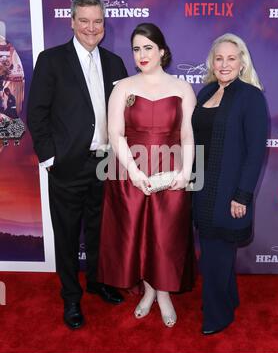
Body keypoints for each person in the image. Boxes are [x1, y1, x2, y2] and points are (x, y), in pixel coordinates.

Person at [27, 0, 128, 330]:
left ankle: (98, 282)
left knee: (102, 231)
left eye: (97, 21)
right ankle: (71, 297)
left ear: (104, 24)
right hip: (67, 165)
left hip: (105, 165)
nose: (91, 27)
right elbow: (36, 114)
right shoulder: (51, 60)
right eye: (83, 20)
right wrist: (51, 158)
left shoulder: (115, 63)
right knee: (68, 236)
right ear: (71, 22)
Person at [97, 23, 197, 327]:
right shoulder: (123, 87)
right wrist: (136, 173)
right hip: (129, 172)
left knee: (166, 236)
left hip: (172, 172)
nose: (142, 54)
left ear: (162, 51)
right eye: (136, 49)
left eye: (148, 47)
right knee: (138, 236)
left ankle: (163, 293)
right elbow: (114, 134)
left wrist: (185, 172)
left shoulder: (182, 89)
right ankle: (148, 292)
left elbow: (188, 136)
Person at [192, 33, 268, 335]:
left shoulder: (251, 96)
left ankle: (217, 315)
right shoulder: (205, 92)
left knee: (215, 257)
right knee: (214, 254)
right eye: (219, 58)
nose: (224, 64)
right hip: (201, 190)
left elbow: (255, 152)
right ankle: (228, 299)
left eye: (231, 58)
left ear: (242, 62)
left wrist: (242, 195)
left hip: (228, 193)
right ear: (212, 61)